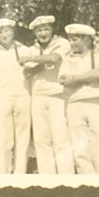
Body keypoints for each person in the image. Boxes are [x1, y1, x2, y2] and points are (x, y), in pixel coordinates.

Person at [22, 15, 75, 175]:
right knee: (41, 140)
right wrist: (42, 65)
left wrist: (34, 60)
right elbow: (27, 73)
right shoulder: (32, 48)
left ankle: (66, 176)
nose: (43, 34)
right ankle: (47, 176)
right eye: (39, 31)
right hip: (38, 96)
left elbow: (55, 58)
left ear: (52, 29)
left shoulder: (62, 43)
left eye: (46, 29)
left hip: (57, 95)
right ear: (35, 33)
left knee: (61, 139)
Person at [0, 18, 33, 174]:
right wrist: (0, 92)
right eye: (0, 32)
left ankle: (20, 173)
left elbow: (30, 73)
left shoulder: (25, 50)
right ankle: (3, 173)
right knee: (1, 138)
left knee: (22, 137)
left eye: (7, 31)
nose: (4, 34)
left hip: (23, 95)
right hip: (2, 97)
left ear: (13, 32)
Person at [60, 23, 99, 174]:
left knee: (98, 142)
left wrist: (76, 78)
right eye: (70, 39)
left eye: (75, 39)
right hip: (74, 104)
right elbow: (64, 79)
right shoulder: (68, 59)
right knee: (79, 148)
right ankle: (86, 179)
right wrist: (88, 77)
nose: (71, 43)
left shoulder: (98, 55)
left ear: (86, 39)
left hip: (96, 102)